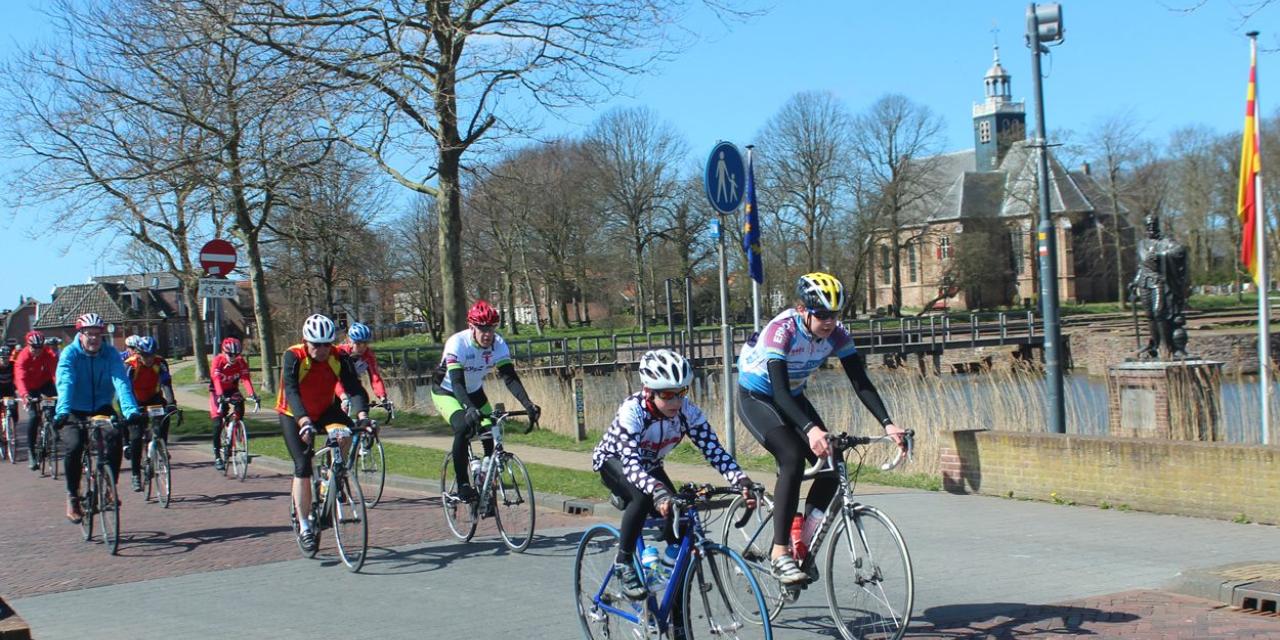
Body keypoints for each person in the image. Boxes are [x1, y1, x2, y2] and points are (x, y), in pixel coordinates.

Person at [736, 272, 906, 586]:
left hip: (793, 396)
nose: (829, 322)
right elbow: (780, 392)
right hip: (758, 396)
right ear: (802, 309)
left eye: (835, 315)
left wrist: (888, 422)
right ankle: (779, 552)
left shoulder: (837, 335)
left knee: (832, 461)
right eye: (822, 315)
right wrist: (811, 429)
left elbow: (860, 382)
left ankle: (803, 540)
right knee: (790, 458)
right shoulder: (781, 331)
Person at [592, 349, 755, 601]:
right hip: (616, 462)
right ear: (648, 391)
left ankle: (662, 569)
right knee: (643, 497)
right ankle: (623, 563)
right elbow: (632, 465)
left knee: (680, 513)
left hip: (651, 464)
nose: (675, 402)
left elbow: (714, 450)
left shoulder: (686, 412)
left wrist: (740, 480)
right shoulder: (632, 412)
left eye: (681, 393)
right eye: (667, 395)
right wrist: (657, 492)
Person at [275, 314, 370, 552]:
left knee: (347, 432)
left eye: (327, 344)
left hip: (326, 409)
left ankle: (334, 474)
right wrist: (303, 420)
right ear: (306, 341)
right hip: (293, 414)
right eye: (316, 344)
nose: (322, 349)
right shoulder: (293, 356)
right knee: (303, 466)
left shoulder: (339, 356)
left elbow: (354, 388)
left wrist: (363, 417)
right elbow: (292, 391)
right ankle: (305, 524)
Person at [432, 300, 541, 505]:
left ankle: (484, 481)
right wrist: (468, 408)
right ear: (471, 327)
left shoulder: (498, 344)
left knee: (491, 430)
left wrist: (528, 404)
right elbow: (456, 382)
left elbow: (509, 378)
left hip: (474, 391)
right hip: (446, 391)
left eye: (490, 328)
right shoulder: (457, 344)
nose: (487, 334)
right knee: (464, 427)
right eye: (482, 328)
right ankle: (463, 485)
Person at [53, 314, 143, 523]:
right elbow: (65, 382)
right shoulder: (70, 354)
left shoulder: (110, 354)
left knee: (114, 436)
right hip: (74, 408)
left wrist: (130, 411)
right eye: (89, 334)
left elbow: (121, 382)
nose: (94, 339)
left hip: (101, 406)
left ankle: (110, 486)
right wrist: (63, 412)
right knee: (74, 446)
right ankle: (73, 496)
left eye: (97, 335)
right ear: (81, 335)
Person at [122, 336, 177, 491]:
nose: (149, 359)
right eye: (145, 356)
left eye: (151, 355)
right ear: (138, 354)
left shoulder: (161, 363)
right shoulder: (130, 365)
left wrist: (172, 403)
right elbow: (126, 390)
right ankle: (135, 475)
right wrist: (132, 410)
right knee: (136, 437)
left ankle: (162, 446)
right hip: (135, 400)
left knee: (165, 414)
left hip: (153, 396)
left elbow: (166, 384)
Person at [209, 337, 258, 471]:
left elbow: (246, 379)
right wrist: (220, 396)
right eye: (230, 355)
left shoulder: (240, 362)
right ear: (224, 352)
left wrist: (252, 394)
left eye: (236, 355)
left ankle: (236, 429)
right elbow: (216, 379)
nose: (233, 357)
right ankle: (217, 456)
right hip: (217, 391)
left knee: (240, 404)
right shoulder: (218, 361)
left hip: (232, 389)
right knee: (217, 422)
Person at [15, 331, 58, 472]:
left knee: (52, 407)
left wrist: (60, 389)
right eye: (34, 348)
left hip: (45, 384)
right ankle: (31, 451)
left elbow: (55, 373)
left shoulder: (48, 353)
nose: (38, 351)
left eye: (40, 347)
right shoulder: (23, 358)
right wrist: (25, 395)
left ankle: (51, 427)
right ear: (28, 346)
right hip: (30, 387)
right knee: (33, 417)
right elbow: (20, 378)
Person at [334, 322, 388, 411]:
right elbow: (333, 378)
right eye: (358, 344)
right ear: (350, 341)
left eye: (365, 344)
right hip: (336, 384)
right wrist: (342, 396)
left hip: (353, 385)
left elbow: (375, 378)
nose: (362, 348)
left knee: (364, 397)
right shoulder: (339, 352)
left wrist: (383, 397)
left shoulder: (368, 355)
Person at [0, 345, 16, 457]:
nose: (5, 360)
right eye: (2, 358)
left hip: (10, 391)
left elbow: (18, 377)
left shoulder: (12, 365)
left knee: (14, 412)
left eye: (7, 358)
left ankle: (12, 429)